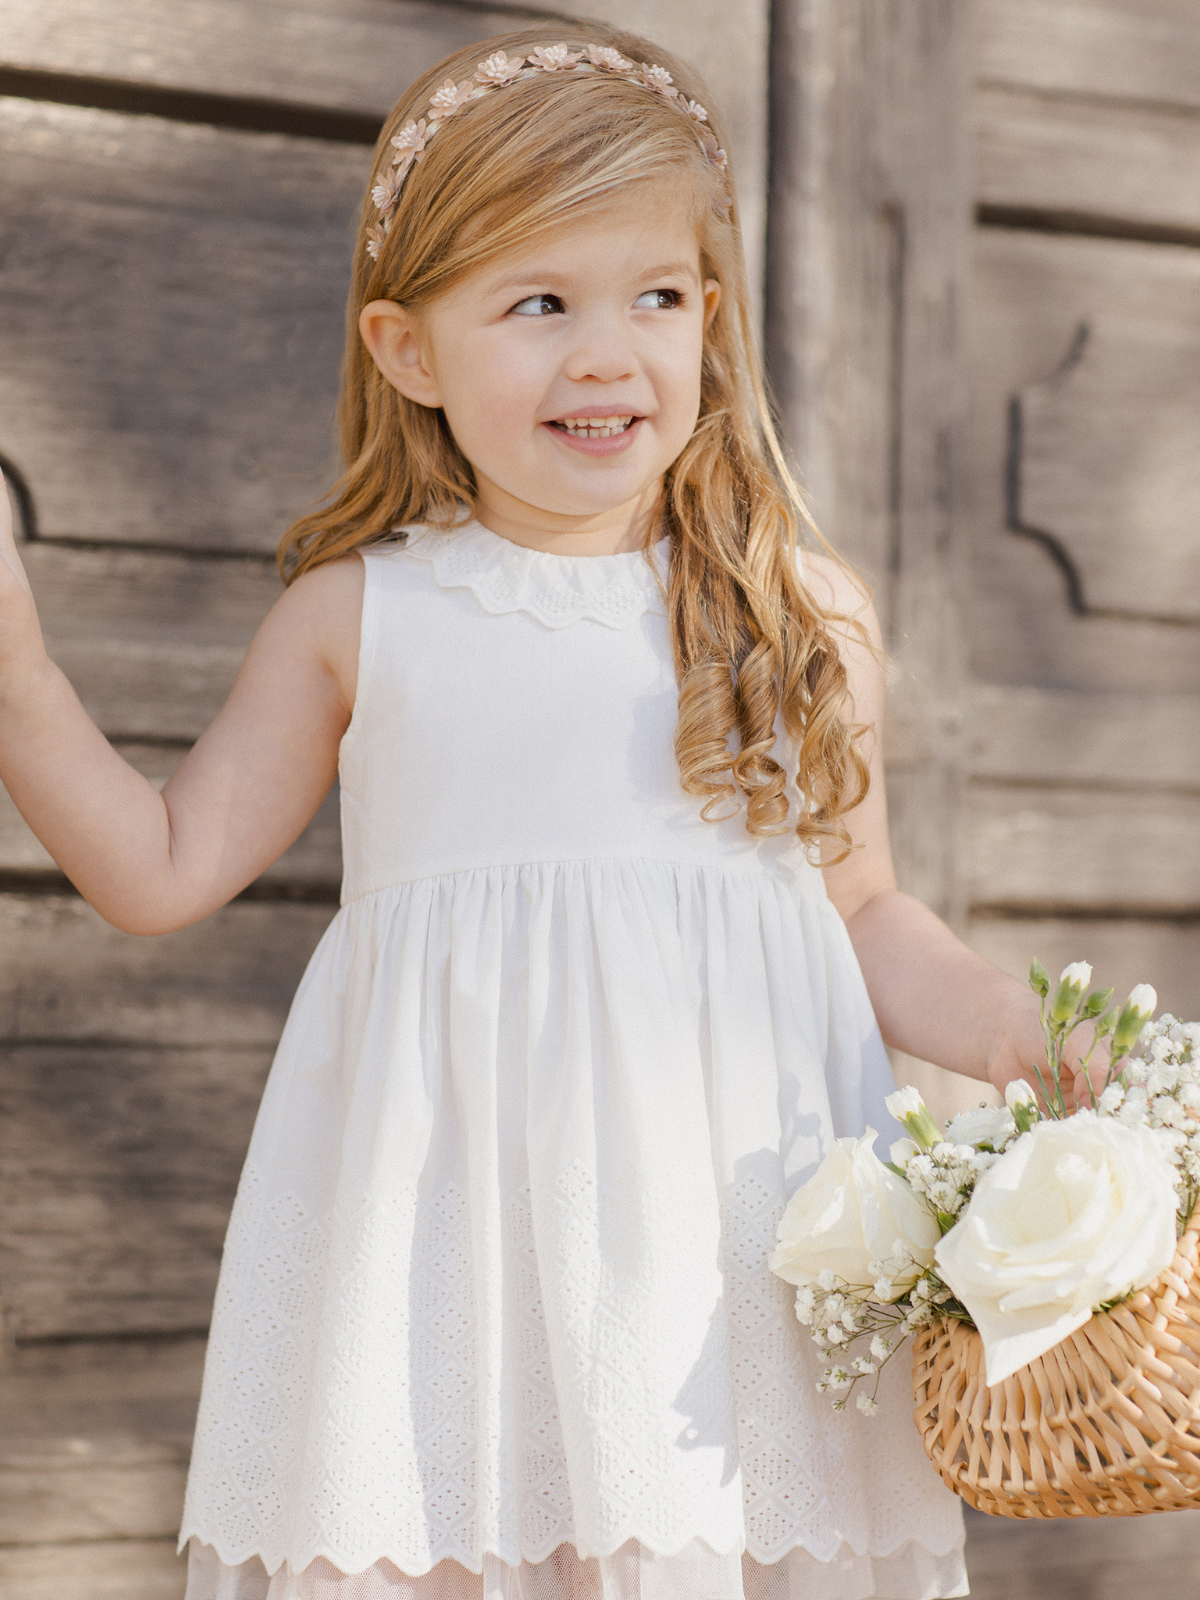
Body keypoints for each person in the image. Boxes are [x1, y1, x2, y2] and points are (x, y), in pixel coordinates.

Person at [0, 24, 1055, 1600]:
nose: (607, 353)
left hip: (736, 1268)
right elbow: (157, 871)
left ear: (713, 316)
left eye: (657, 296)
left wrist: (1038, 1042)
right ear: (410, 348)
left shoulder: (795, 612)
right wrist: (11, 652)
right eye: (538, 302)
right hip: (460, 1258)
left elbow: (863, 913)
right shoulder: (363, 616)